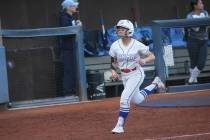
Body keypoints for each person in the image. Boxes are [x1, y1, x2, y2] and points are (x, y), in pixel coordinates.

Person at [109, 19, 166, 134]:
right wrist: (114, 71)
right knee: (138, 100)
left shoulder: (137, 44)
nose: (119, 30)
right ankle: (155, 83)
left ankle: (119, 126)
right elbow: (113, 61)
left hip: (136, 74)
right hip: (124, 75)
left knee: (124, 99)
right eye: (118, 28)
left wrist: (145, 60)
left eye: (122, 29)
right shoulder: (115, 45)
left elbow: (152, 56)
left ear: (129, 31)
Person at [59, 0, 81, 96]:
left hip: (71, 47)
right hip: (67, 48)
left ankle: (71, 91)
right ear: (68, 7)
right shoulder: (64, 17)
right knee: (69, 71)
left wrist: (76, 25)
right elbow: (66, 32)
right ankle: (68, 93)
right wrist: (76, 26)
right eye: (73, 6)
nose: (75, 7)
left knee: (72, 70)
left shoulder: (69, 17)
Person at [186, 0, 209, 84]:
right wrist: (202, 23)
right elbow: (195, 28)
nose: (202, 4)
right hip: (192, 41)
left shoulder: (205, 12)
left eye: (202, 3)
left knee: (201, 63)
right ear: (195, 6)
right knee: (194, 62)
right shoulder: (189, 16)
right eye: (200, 3)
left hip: (204, 40)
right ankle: (193, 82)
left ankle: (191, 78)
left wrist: (201, 24)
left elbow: (207, 25)